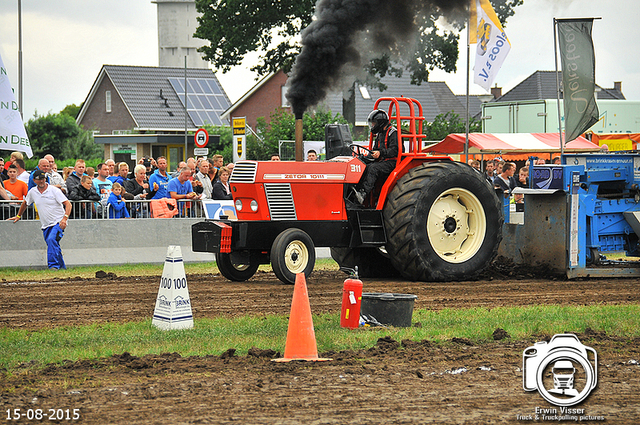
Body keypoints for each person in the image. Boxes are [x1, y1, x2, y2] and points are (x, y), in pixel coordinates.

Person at [8, 169, 72, 269]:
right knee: (53, 244)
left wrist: (65, 218)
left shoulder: (54, 190)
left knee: (51, 240)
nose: (41, 181)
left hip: (58, 222)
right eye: (39, 179)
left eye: (43, 179)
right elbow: (25, 203)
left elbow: (68, 204)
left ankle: (53, 266)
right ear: (34, 180)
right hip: (46, 225)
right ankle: (62, 267)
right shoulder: (33, 192)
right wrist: (18, 215)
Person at [354, 109, 400, 205]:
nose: (373, 126)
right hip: (382, 161)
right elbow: (374, 150)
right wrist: (364, 158)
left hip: (392, 162)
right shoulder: (379, 134)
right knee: (363, 165)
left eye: (374, 123)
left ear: (380, 123)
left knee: (373, 168)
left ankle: (363, 194)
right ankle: (355, 190)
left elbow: (395, 150)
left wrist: (381, 153)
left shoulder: (393, 133)